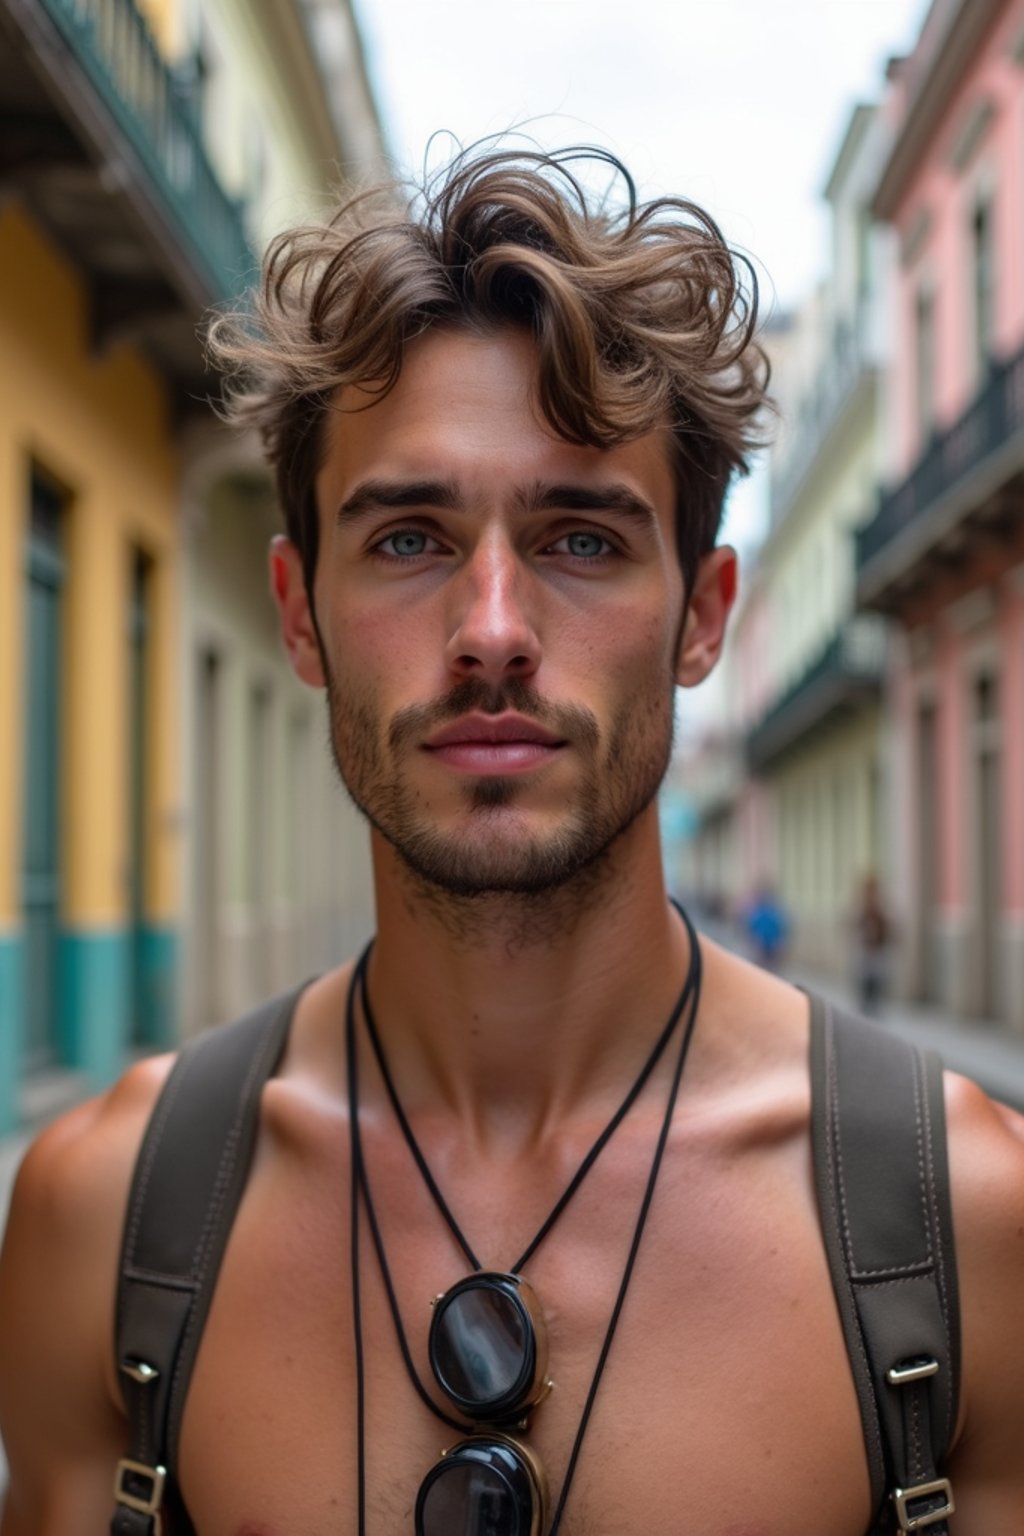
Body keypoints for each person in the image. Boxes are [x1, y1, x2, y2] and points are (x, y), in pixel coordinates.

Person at [1, 145, 1023, 1536]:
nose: (491, 630)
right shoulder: (105, 1217)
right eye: (411, 539)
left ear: (704, 616)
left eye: (584, 540)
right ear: (298, 612)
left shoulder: (962, 1226)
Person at [852, 871, 892, 1017]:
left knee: (877, 980)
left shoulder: (881, 907)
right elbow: (854, 924)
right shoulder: (862, 907)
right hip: (866, 949)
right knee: (865, 981)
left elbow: (888, 926)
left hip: (878, 949)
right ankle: (866, 1007)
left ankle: (874, 1006)